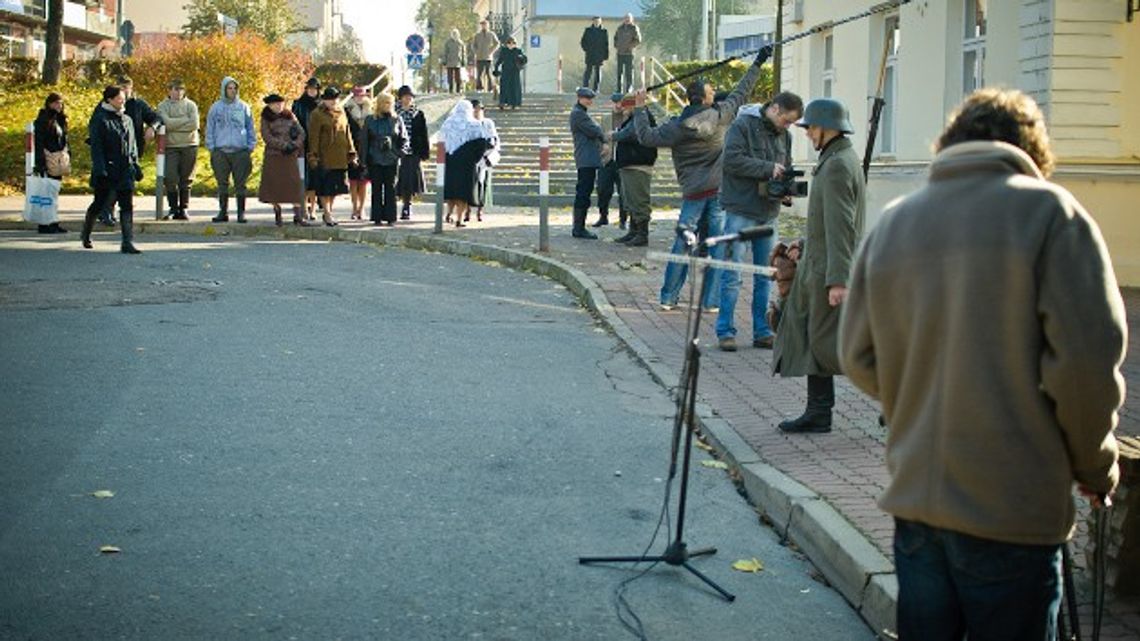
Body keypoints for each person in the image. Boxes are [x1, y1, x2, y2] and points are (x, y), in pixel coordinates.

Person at [839, 88, 1124, 641]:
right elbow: (1086, 368)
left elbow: (856, 355)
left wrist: (922, 399)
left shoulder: (897, 220)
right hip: (1012, 507)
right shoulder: (1052, 215)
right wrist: (1096, 466)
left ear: (951, 143)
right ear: (1032, 150)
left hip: (918, 504)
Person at [633, 45, 770, 311]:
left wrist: (640, 108)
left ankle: (668, 298)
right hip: (718, 192)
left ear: (688, 99)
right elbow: (741, 92)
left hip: (693, 193)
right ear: (706, 99)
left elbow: (645, 137)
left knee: (682, 244)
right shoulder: (720, 117)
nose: (715, 94)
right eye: (711, 92)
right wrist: (758, 61)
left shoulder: (674, 128)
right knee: (718, 246)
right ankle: (710, 302)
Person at [771, 98, 865, 433]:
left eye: (811, 127)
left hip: (829, 271)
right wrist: (805, 245)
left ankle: (899, 401)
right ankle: (818, 413)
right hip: (820, 265)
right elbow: (829, 223)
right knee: (818, 341)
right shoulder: (835, 158)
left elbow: (843, 227)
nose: (808, 133)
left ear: (827, 127)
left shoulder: (839, 164)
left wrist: (839, 279)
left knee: (832, 347)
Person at [715, 91, 803, 352]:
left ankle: (762, 331)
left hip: (768, 212)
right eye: (786, 120)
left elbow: (785, 166)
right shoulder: (742, 125)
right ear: (775, 109)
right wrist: (768, 169)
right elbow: (730, 161)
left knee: (766, 274)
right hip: (740, 208)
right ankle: (725, 331)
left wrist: (786, 189)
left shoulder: (784, 136)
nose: (787, 127)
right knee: (732, 274)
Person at [81, 85, 141, 254]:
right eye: (119, 98)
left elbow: (132, 144)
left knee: (127, 205)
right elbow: (97, 146)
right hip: (108, 168)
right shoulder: (100, 119)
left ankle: (127, 242)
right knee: (100, 203)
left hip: (125, 169)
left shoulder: (127, 119)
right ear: (109, 99)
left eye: (123, 97)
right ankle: (86, 234)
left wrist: (135, 164)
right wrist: (100, 168)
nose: (122, 100)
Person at [98, 75, 161, 225]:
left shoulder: (138, 104)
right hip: (112, 151)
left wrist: (152, 127)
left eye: (127, 88)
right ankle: (106, 211)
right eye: (122, 88)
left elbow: (156, 118)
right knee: (113, 183)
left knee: (126, 184)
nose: (124, 92)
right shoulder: (108, 104)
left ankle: (122, 215)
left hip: (132, 150)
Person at [205, 76, 256, 223]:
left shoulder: (244, 107)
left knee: (240, 184)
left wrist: (250, 146)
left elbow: (250, 127)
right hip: (220, 151)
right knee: (222, 184)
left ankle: (241, 213)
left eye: (234, 88)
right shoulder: (215, 108)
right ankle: (223, 211)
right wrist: (212, 147)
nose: (232, 91)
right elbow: (210, 128)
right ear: (224, 89)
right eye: (229, 88)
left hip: (240, 151)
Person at [611, 93, 658, 246]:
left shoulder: (641, 115)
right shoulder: (634, 116)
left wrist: (614, 135)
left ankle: (642, 233)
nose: (622, 110)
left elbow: (631, 133)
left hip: (638, 165)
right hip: (630, 164)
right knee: (630, 200)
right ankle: (634, 230)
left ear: (632, 105)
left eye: (625, 107)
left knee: (639, 200)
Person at [306, 86, 356, 227]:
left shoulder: (342, 112)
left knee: (335, 187)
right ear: (324, 100)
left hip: (340, 156)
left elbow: (347, 132)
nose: (332, 102)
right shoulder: (317, 114)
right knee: (324, 187)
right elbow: (313, 136)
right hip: (324, 155)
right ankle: (327, 213)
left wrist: (351, 151)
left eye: (334, 99)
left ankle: (329, 211)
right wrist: (313, 155)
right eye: (329, 99)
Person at [440, 100, 493, 228]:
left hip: (450, 160)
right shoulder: (474, 124)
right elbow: (482, 143)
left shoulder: (448, 123)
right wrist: (475, 158)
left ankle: (448, 213)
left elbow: (441, 141)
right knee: (463, 191)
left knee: (452, 190)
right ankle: (459, 219)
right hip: (466, 162)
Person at [257, 94, 307, 227]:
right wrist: (283, 145)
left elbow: (301, 132)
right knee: (274, 185)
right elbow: (267, 136)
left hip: (291, 155)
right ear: (269, 105)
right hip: (274, 155)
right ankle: (277, 212)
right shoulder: (266, 117)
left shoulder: (290, 115)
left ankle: (298, 215)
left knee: (295, 184)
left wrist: (294, 145)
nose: (279, 106)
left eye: (280, 103)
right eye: (275, 104)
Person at [569, 87, 611, 239]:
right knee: (583, 192)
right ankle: (578, 228)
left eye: (591, 98)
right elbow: (595, 130)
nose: (589, 101)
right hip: (586, 158)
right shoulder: (579, 114)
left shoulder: (581, 113)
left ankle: (579, 227)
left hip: (588, 158)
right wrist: (604, 138)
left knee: (584, 192)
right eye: (587, 98)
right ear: (579, 98)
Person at [362, 92, 408, 227]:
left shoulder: (397, 119)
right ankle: (376, 217)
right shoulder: (370, 119)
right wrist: (364, 160)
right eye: (386, 102)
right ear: (380, 104)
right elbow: (364, 141)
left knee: (390, 188)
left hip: (391, 159)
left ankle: (390, 217)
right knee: (376, 188)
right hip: (374, 158)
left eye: (390, 103)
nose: (388, 105)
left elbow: (404, 139)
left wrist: (399, 153)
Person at [156, 78, 199, 221]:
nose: (178, 92)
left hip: (189, 145)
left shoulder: (191, 105)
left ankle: (184, 208)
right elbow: (166, 124)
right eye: (175, 89)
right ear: (169, 90)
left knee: (186, 179)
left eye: (181, 89)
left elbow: (194, 124)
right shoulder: (163, 106)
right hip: (171, 146)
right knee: (170, 177)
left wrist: (176, 124)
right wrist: (183, 121)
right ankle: (173, 207)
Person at [32, 92, 69, 234]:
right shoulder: (43, 120)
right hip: (48, 159)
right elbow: (39, 142)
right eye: (56, 103)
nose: (59, 106)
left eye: (60, 103)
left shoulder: (60, 119)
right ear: (49, 104)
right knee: (46, 193)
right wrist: (40, 162)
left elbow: (64, 139)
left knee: (53, 193)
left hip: (58, 159)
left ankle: (53, 221)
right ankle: (44, 223)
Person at [394, 85, 429, 221]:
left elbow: (423, 133)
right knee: (398, 178)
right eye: (405, 96)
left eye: (410, 97)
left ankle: (407, 205)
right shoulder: (394, 112)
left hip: (413, 151)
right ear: (400, 98)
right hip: (397, 150)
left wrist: (424, 152)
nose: (408, 99)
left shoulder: (418, 114)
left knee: (410, 179)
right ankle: (393, 205)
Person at [590, 94, 625, 229]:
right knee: (603, 189)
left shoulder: (628, 118)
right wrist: (602, 146)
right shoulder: (605, 119)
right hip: (607, 160)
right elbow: (598, 137)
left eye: (620, 102)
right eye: (615, 102)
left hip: (623, 160)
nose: (618, 105)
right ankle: (603, 216)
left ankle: (623, 220)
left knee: (624, 193)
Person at [293, 77, 321, 220]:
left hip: (317, 146)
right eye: (310, 88)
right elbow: (293, 124)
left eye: (314, 89)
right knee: (302, 178)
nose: (312, 91)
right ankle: (302, 208)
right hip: (301, 145)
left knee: (315, 179)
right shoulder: (298, 104)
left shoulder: (321, 105)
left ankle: (313, 209)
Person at [469, 99, 500, 222]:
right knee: (470, 184)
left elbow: (494, 139)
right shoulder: (468, 123)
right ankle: (467, 209)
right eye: (475, 109)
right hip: (471, 157)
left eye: (480, 109)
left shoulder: (488, 123)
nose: (478, 112)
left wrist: (490, 152)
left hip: (485, 157)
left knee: (482, 184)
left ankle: (480, 209)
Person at [345, 85, 373, 221]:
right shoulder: (347, 110)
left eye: (362, 95)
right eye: (357, 95)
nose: (359, 98)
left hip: (367, 148)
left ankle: (362, 208)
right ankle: (354, 207)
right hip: (352, 147)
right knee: (353, 181)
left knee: (364, 181)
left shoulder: (372, 111)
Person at [493, 37, 527, 110]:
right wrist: (496, 69)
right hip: (505, 71)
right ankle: (502, 102)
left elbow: (524, 60)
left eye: (513, 43)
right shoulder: (504, 51)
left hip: (515, 71)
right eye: (509, 43)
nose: (511, 45)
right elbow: (499, 60)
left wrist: (521, 58)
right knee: (504, 87)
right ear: (507, 44)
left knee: (514, 87)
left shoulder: (518, 51)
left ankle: (514, 103)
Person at [613, 14, 641, 94]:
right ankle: (619, 89)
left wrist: (630, 47)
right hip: (620, 53)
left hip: (629, 54)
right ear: (623, 19)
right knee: (619, 72)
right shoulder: (620, 28)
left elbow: (638, 40)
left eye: (628, 18)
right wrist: (617, 46)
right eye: (625, 18)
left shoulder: (634, 28)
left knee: (629, 72)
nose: (627, 19)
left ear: (632, 19)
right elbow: (615, 38)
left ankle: (629, 89)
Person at [580, 17, 608, 92]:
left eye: (598, 21)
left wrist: (605, 55)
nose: (597, 22)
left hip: (599, 55)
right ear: (592, 21)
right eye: (595, 21)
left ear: (601, 22)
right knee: (588, 71)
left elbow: (606, 44)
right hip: (590, 54)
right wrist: (587, 49)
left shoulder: (604, 31)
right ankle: (585, 87)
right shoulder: (588, 30)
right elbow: (583, 42)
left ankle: (596, 89)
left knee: (598, 72)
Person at [471, 20, 500, 92]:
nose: (483, 26)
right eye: (482, 25)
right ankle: (479, 88)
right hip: (479, 57)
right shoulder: (477, 35)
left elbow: (497, 43)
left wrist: (491, 51)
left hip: (488, 57)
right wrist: (476, 52)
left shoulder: (491, 34)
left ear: (488, 25)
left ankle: (490, 88)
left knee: (489, 73)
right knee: (479, 74)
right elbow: (473, 45)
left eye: (485, 24)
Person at [444, 29, 466, 94]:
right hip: (449, 61)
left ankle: (458, 89)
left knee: (458, 77)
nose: (454, 35)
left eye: (456, 34)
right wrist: (444, 60)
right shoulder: (448, 42)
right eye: (453, 34)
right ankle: (450, 89)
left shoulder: (460, 43)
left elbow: (463, 53)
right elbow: (445, 52)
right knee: (450, 77)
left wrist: (463, 61)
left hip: (458, 61)